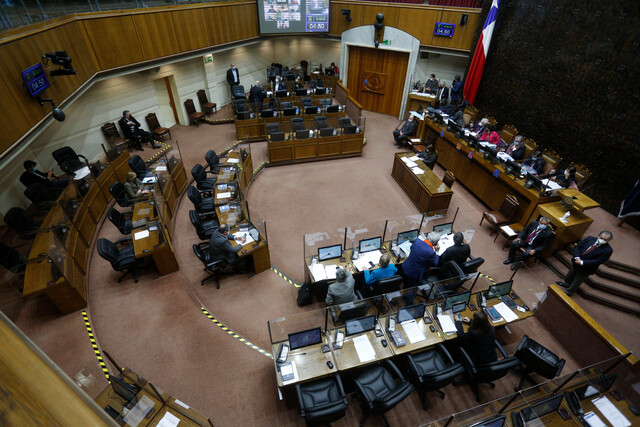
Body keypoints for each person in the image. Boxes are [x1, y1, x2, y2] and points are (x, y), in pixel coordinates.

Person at [557, 231, 613, 296]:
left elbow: (598, 261)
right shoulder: (590, 238)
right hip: (576, 261)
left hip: (587, 268)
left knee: (577, 280)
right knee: (571, 273)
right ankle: (566, 283)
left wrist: (582, 262)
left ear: (609, 240)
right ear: (598, 236)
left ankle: (569, 291)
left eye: (605, 240)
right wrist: (577, 257)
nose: (602, 240)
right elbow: (577, 246)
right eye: (601, 238)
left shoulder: (608, 250)